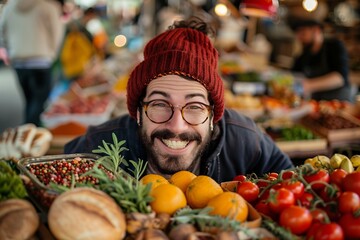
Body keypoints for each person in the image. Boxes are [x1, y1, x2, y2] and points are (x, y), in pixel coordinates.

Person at [64, 17, 293, 182]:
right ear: (138, 113)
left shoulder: (245, 140)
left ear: (213, 115)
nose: (176, 126)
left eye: (195, 106)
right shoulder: (98, 145)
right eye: (159, 104)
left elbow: (294, 187)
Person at [0, 0, 64, 126]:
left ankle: (27, 132)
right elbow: (57, 33)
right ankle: (30, 131)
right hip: (41, 60)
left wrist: (10, 50)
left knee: (29, 99)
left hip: (19, 61)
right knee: (39, 100)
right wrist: (52, 54)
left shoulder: (9, 7)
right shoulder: (49, 7)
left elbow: (3, 32)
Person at [290, 18, 353, 102]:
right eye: (297, 34)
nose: (299, 37)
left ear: (316, 30)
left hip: (337, 103)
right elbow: (294, 75)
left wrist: (308, 85)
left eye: (303, 33)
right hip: (314, 103)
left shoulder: (334, 46)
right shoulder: (304, 55)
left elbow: (340, 78)